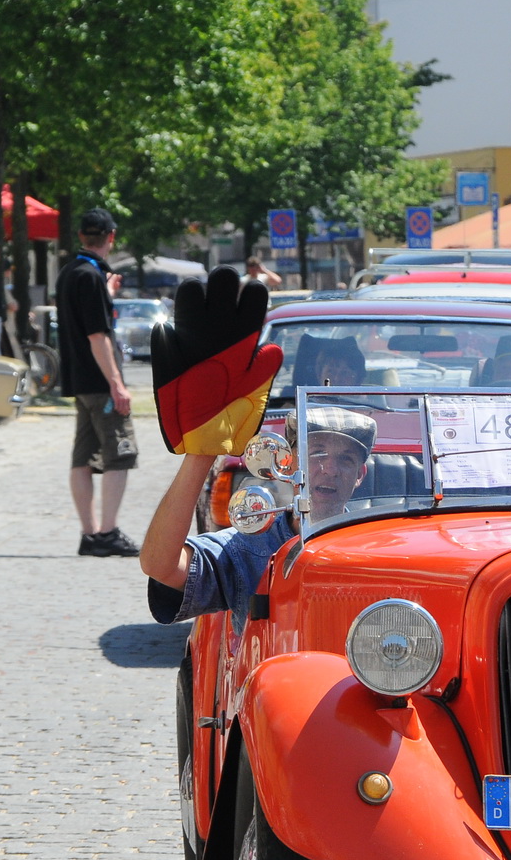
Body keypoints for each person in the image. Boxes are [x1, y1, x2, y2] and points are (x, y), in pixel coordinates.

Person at [141, 407, 377, 633]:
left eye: (346, 459)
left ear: (359, 475)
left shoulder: (372, 549)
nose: (331, 469)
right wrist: (202, 454)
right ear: (287, 464)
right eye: (316, 453)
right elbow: (160, 566)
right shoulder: (247, 545)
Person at [56, 207, 140, 557]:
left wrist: (106, 292)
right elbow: (97, 335)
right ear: (111, 237)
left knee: (82, 457)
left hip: (78, 380)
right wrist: (117, 384)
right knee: (119, 454)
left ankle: (90, 533)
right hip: (99, 382)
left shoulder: (70, 272)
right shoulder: (90, 277)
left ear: (81, 237)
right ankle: (107, 532)